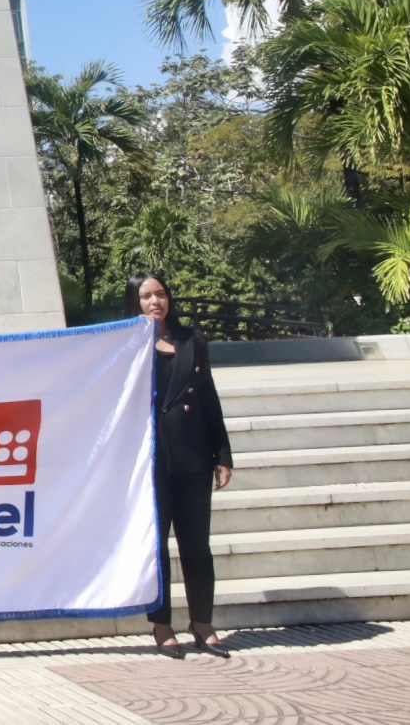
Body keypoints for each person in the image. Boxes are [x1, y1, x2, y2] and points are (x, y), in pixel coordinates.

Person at [131, 272, 233, 659]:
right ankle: (161, 624)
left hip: (193, 454)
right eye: (145, 296)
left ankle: (202, 622)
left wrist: (222, 453)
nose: (155, 302)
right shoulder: (127, 345)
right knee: (156, 546)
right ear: (135, 302)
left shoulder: (193, 341)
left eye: (160, 294)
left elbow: (208, 397)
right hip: (151, 460)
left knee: (196, 544)